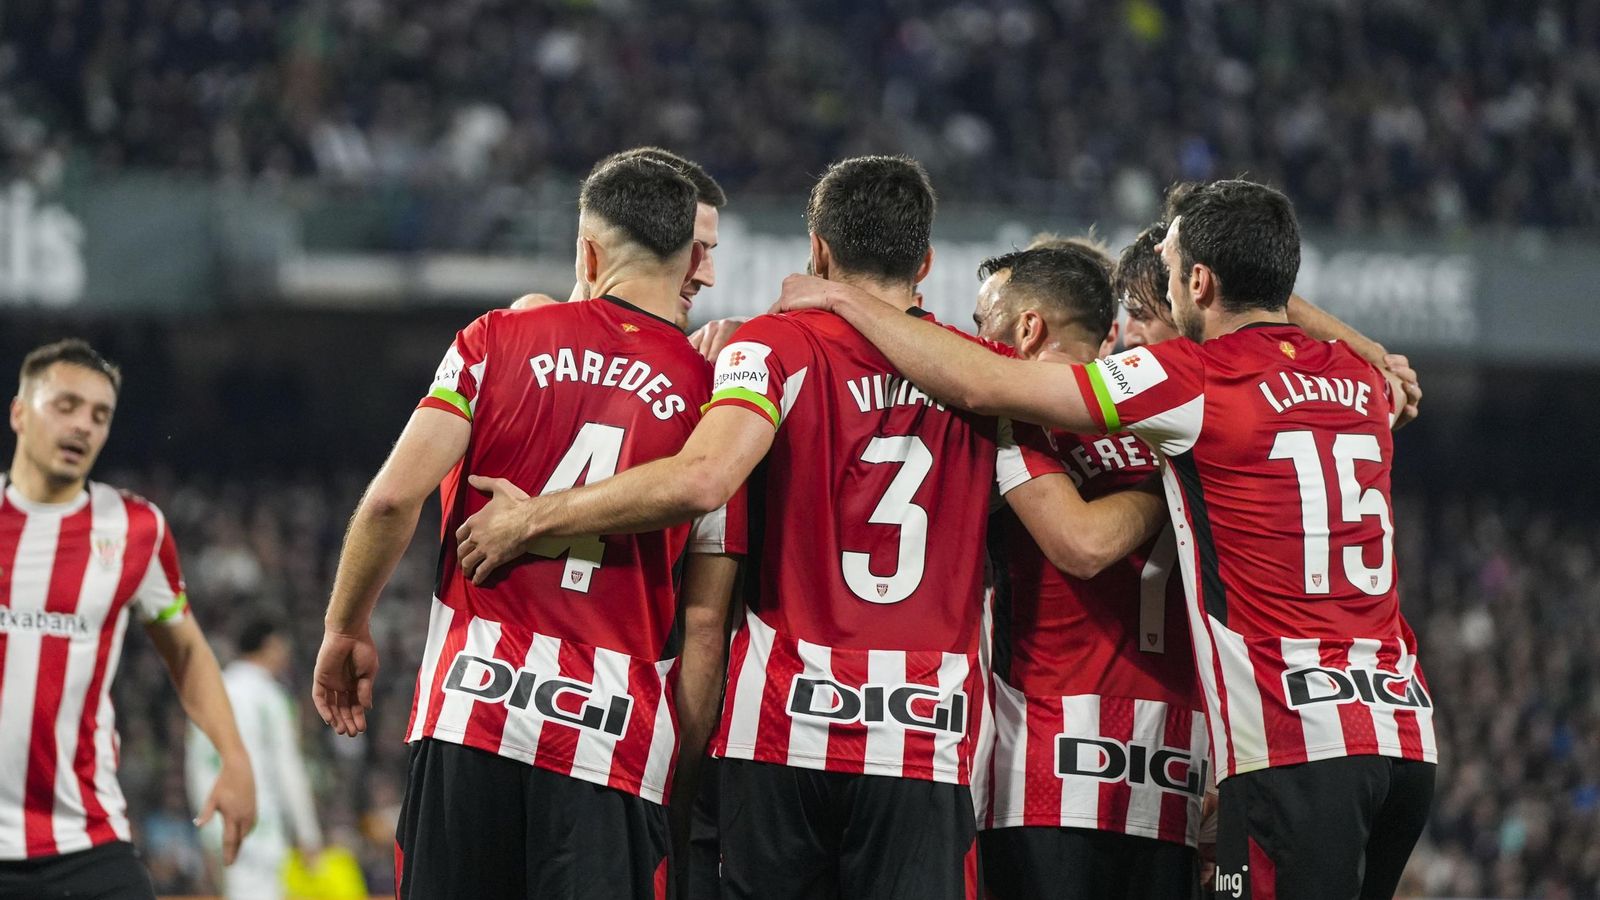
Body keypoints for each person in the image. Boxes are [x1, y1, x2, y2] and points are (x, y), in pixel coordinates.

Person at [456, 155, 1164, 900]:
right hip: (923, 739)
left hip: (780, 729)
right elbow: (1072, 534)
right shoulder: (984, 380)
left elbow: (705, 492)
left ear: (818, 250)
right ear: (924, 262)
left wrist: (534, 515)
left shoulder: (765, 348)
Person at [776, 179, 1438, 900]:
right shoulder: (1362, 380)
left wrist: (846, 300)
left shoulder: (1185, 387)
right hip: (1396, 732)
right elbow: (1285, 308)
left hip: (1256, 748)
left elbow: (987, 397)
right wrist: (1357, 340)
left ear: (1199, 281)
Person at [311, 155, 743, 899]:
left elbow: (388, 502)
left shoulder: (496, 339)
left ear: (589, 251)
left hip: (469, 713)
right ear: (687, 262)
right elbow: (705, 624)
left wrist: (345, 628)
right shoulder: (720, 398)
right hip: (610, 742)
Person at [967, 246, 1209, 900]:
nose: (974, 338)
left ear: (1028, 328)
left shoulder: (1020, 419)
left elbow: (1079, 543)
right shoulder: (1181, 433)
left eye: (982, 319)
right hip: (1178, 763)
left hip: (1048, 768)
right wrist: (1182, 484)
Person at [0, 339, 257, 898]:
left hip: (87, 840)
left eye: (100, 415)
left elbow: (186, 651)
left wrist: (234, 756)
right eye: (65, 405)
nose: (83, 426)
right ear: (19, 412)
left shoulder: (135, 528)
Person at [187, 619, 322, 900]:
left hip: (217, 819)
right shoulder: (269, 696)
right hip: (258, 820)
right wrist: (308, 832)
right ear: (270, 646)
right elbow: (288, 766)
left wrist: (203, 826)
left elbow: (196, 763)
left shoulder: (212, 691)